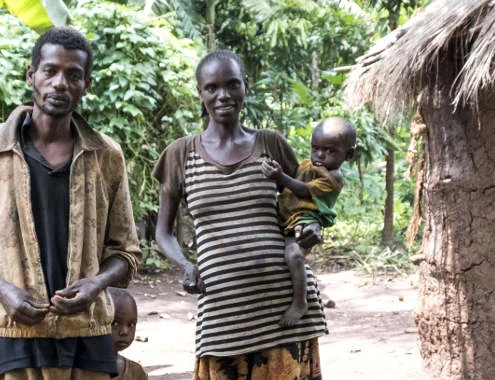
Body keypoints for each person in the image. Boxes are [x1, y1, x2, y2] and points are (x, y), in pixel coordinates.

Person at [0, 26, 142, 380]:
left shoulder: (106, 155)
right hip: (17, 333)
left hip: (88, 333)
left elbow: (126, 250)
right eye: (50, 71)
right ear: (32, 75)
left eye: (73, 75)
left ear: (86, 84)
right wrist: (3, 291)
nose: (60, 83)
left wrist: (95, 284)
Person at [152, 49, 328, 380]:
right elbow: (163, 232)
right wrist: (186, 265)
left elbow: (306, 203)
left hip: (285, 311)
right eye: (212, 87)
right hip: (224, 315)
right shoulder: (180, 154)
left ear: (245, 86)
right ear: (199, 92)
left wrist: (309, 228)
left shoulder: (270, 143)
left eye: (233, 84)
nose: (223, 95)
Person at [262, 117, 357, 326]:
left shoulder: (333, 177)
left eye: (330, 151)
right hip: (286, 214)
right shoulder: (307, 164)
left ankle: (300, 302)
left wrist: (280, 177)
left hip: (305, 219)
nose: (320, 155)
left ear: (348, 154)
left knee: (294, 254)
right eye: (316, 148)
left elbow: (303, 190)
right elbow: (291, 182)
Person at [108, 288, 147, 380]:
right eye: (115, 323)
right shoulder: (78, 371)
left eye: (131, 324)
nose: (124, 332)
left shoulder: (136, 372)